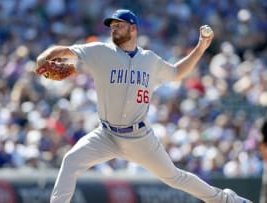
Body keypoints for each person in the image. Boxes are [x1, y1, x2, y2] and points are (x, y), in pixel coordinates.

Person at [36, 9, 252, 203]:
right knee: (71, 161)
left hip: (139, 136)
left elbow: (177, 73)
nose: (114, 29)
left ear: (133, 28)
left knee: (174, 177)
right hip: (106, 134)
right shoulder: (100, 51)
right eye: (112, 26)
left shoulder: (150, 60)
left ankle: (225, 199)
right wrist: (43, 59)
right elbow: (63, 51)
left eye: (119, 25)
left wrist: (201, 47)